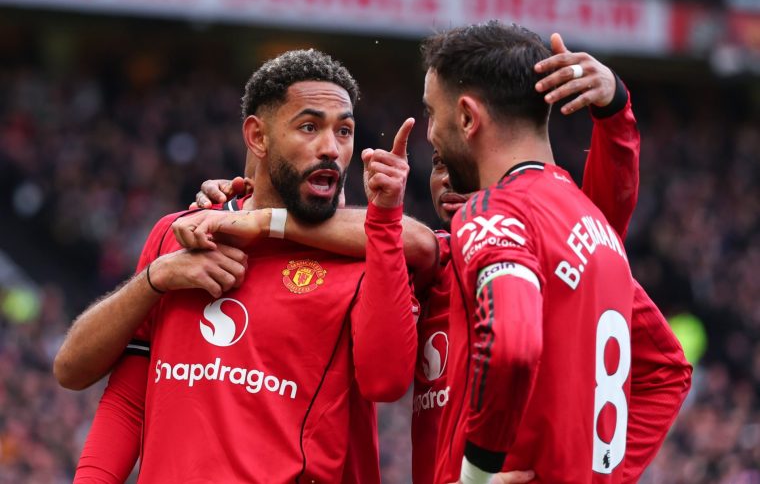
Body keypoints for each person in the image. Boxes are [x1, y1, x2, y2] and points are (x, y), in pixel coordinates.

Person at [180, 33, 689, 483]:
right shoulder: (459, 256)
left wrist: (260, 219)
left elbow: (653, 369)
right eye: (436, 168)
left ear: (468, 120)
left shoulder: (495, 223)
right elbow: (416, 244)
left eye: (436, 125)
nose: (443, 172)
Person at [68, 49, 420, 483]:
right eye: (309, 127)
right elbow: (124, 398)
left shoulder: (359, 256)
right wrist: (155, 278)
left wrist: (383, 220)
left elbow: (387, 382)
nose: (331, 148)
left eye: (344, 131)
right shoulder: (180, 236)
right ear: (257, 136)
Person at [418, 21, 690, 484]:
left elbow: (512, 348)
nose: (429, 134)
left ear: (467, 117)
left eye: (431, 113)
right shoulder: (591, 222)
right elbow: (666, 370)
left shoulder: (493, 212)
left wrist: (475, 478)